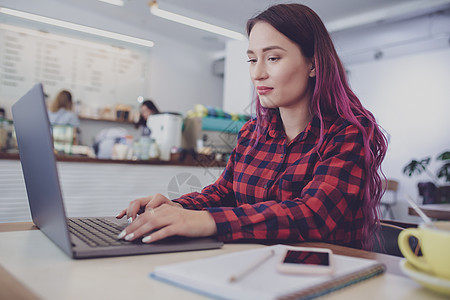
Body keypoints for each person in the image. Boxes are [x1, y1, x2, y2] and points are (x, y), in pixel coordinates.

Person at [116, 4, 388, 250]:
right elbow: (226, 192)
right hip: (258, 266)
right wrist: (176, 207)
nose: (257, 73)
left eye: (273, 58)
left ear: (313, 64)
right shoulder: (252, 133)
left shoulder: (347, 134)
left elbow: (312, 215)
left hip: (326, 274)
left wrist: (206, 221)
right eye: (252, 59)